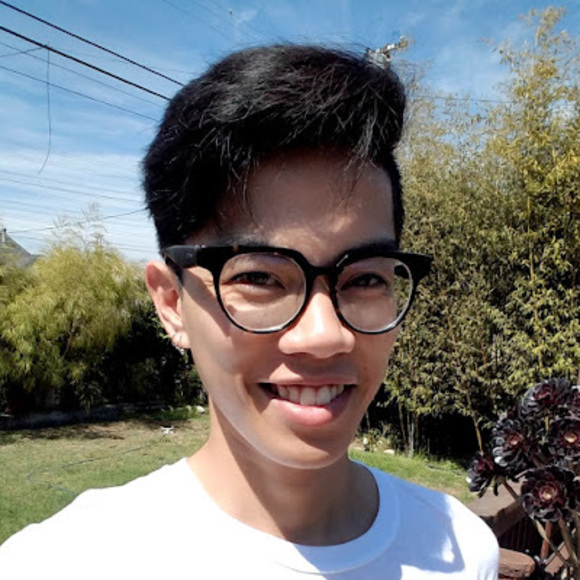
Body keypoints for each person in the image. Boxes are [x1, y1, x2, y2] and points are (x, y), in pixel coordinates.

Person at [0, 44, 499, 579]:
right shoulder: (59, 563)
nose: (325, 335)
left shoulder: (460, 548)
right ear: (171, 303)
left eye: (365, 278)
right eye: (260, 277)